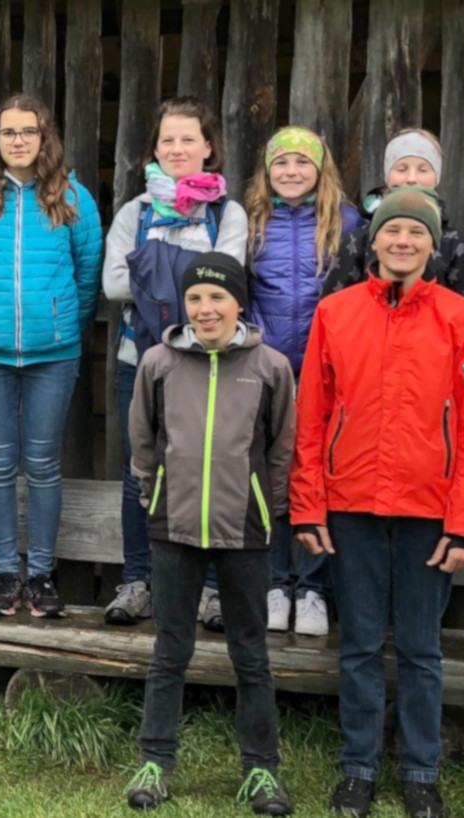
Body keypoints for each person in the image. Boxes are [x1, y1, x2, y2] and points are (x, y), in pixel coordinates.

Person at [292, 187, 464, 818]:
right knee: (357, 645)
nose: (403, 241)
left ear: (433, 245)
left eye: (416, 233)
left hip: (428, 511)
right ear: (373, 240)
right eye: (392, 231)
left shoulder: (460, 316)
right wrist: (308, 505)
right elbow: (312, 413)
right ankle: (358, 768)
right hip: (351, 504)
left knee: (420, 648)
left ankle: (420, 772)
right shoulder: (336, 312)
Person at [122, 252, 295, 816]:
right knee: (170, 650)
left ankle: (261, 770)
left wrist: (268, 508)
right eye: (195, 297)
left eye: (218, 297)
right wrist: (151, 490)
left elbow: (281, 447)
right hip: (173, 526)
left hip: (244, 528)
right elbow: (142, 438)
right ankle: (155, 761)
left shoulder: (270, 366)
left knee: (251, 654)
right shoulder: (158, 362)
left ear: (238, 303)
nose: (205, 308)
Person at [0, 93, 103, 618]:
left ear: (44, 137)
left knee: (42, 464)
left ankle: (39, 574)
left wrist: (58, 322)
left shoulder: (73, 197)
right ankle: (4, 572)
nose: (18, 140)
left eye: (28, 131)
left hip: (53, 354)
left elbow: (87, 275)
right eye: (8, 132)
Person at [101, 97, 249, 631]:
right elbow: (113, 283)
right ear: (155, 149)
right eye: (168, 140)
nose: (177, 148)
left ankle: (210, 590)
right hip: (139, 362)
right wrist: (190, 274)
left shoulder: (227, 213)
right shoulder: (135, 212)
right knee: (138, 473)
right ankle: (137, 581)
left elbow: (226, 281)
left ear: (208, 148)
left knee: (208, 471)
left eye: (189, 139)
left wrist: (152, 264)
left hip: (210, 363)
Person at [240, 125, 362, 638]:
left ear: (320, 168)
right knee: (272, 474)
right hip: (266, 368)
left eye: (302, 162)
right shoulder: (251, 220)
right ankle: (275, 582)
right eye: (281, 163)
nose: (291, 171)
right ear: (267, 171)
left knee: (318, 474)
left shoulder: (347, 221)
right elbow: (241, 290)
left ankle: (313, 588)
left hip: (326, 369)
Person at [322, 130, 464, 310]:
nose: (411, 179)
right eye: (401, 169)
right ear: (387, 174)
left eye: (423, 170)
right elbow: (334, 308)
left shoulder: (455, 243)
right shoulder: (359, 240)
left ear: (437, 177)